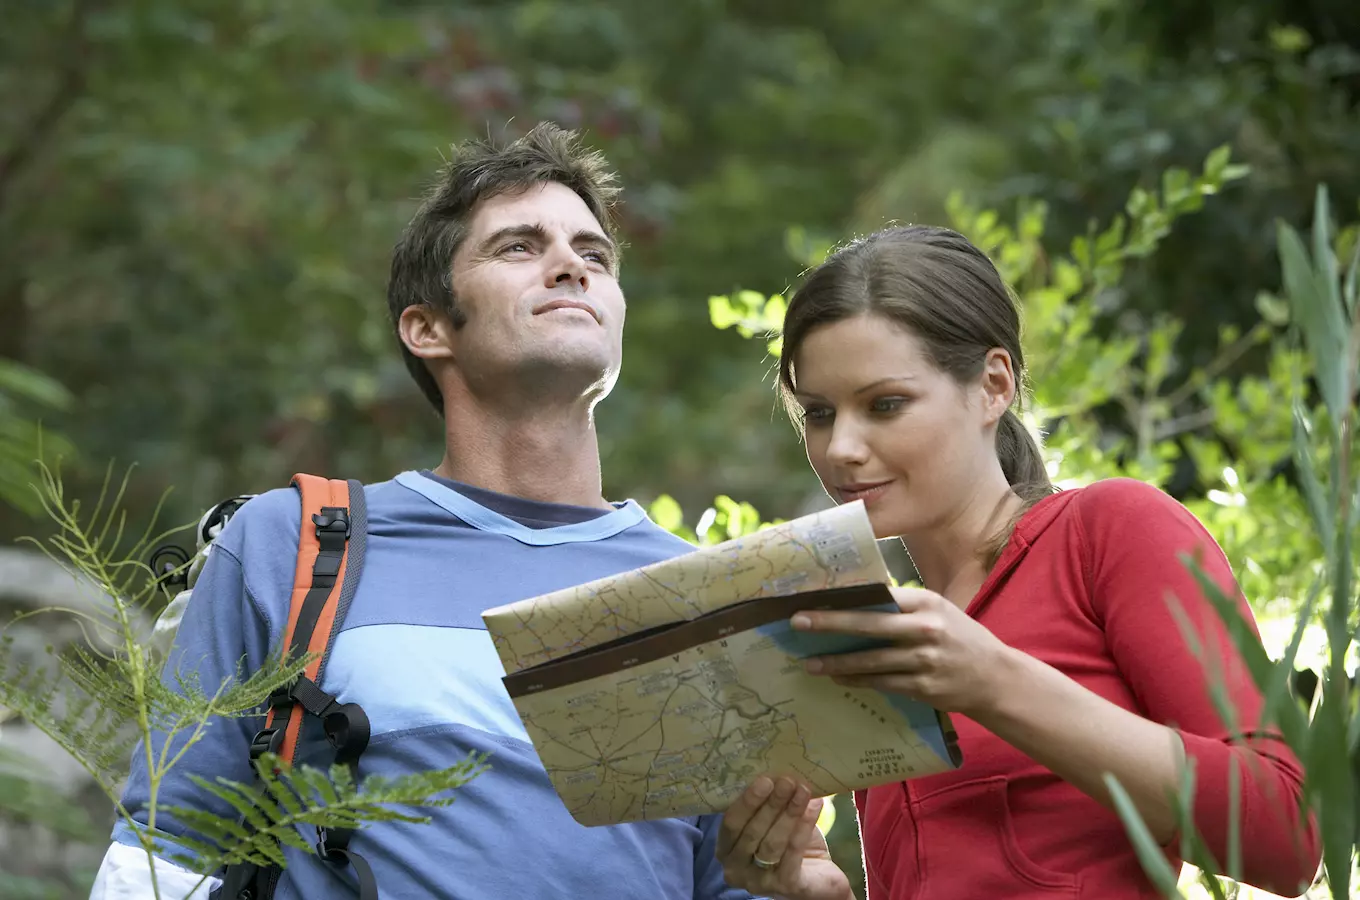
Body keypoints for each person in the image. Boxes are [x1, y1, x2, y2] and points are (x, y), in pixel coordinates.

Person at [89, 123, 755, 900]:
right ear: (428, 327)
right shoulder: (296, 544)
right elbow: (158, 863)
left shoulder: (705, 597)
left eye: (594, 254)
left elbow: (731, 884)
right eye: (518, 247)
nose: (571, 266)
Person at [713, 225, 1322, 900]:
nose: (842, 447)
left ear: (993, 385)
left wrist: (995, 682)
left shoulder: (1109, 531)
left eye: (885, 404)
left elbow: (1286, 836)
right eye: (820, 414)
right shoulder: (885, 636)